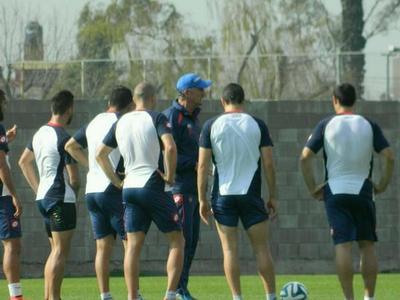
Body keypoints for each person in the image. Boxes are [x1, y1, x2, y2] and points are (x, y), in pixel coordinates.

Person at [300, 83, 395, 300]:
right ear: (355, 100)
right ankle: (369, 298)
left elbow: (304, 157)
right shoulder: (368, 124)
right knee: (367, 245)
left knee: (342, 246)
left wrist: (313, 187)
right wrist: (382, 184)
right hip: (363, 189)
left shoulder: (326, 124)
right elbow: (389, 155)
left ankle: (348, 299)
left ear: (335, 100)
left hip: (335, 190)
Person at [96, 82, 184, 300]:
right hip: (152, 185)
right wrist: (170, 177)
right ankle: (170, 295)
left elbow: (100, 154)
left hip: (130, 188)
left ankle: (132, 296)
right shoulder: (157, 117)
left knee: (133, 246)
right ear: (153, 98)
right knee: (177, 240)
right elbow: (170, 147)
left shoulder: (122, 121)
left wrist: (117, 182)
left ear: (134, 100)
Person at [198, 83, 277, 300]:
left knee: (229, 251)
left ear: (223, 101)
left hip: (222, 197)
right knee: (262, 249)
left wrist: (201, 199)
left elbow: (203, 166)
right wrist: (273, 196)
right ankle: (271, 297)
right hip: (251, 195)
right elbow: (269, 164)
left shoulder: (210, 126)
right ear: (244, 100)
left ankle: (237, 298)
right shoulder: (257, 124)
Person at [64, 86, 134, 300]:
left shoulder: (94, 121)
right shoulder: (122, 122)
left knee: (102, 248)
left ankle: (105, 295)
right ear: (129, 105)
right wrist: (116, 179)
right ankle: (134, 294)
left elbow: (70, 146)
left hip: (92, 190)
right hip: (111, 189)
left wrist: (91, 167)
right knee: (130, 244)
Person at [18, 90, 79, 300]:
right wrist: (75, 191)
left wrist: (38, 189)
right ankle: (53, 298)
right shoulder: (64, 138)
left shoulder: (39, 133)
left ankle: (49, 296)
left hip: (44, 198)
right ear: (69, 108)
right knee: (60, 252)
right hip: (61, 198)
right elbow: (75, 177)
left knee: (54, 251)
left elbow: (23, 161)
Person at [163, 73, 211, 300]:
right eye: (201, 89)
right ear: (188, 93)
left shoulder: (194, 119)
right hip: (179, 188)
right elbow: (166, 154)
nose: (205, 93)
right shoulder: (172, 117)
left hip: (193, 189)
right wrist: (194, 163)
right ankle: (176, 290)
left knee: (191, 242)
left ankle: (182, 287)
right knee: (182, 241)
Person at [0, 89, 24, 300]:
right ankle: (16, 297)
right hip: (3, 196)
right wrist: (14, 194)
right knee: (12, 244)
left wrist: (5, 138)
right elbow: (1, 164)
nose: (4, 106)